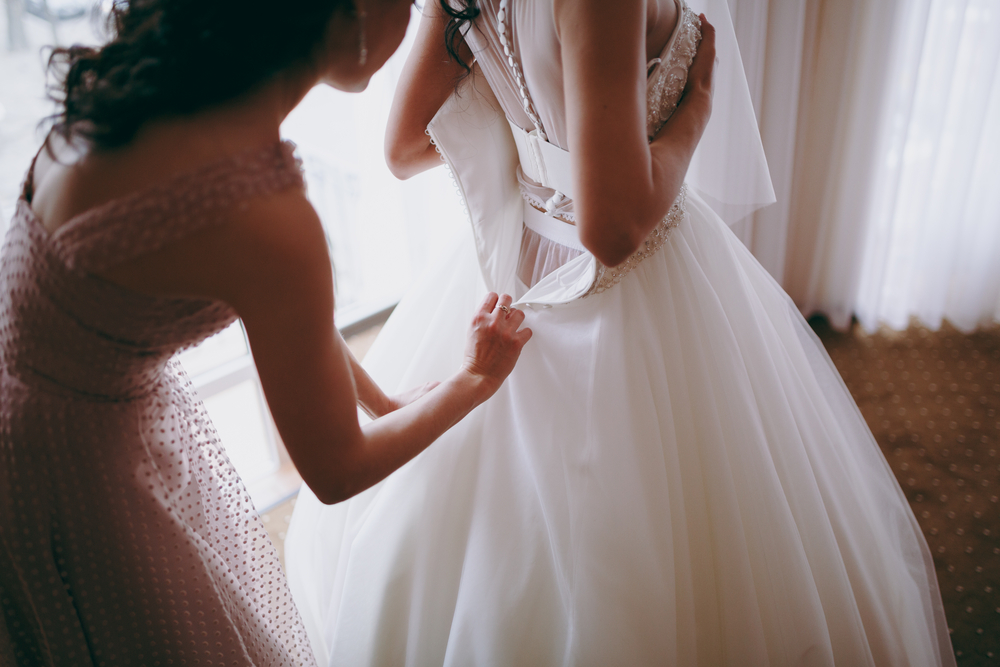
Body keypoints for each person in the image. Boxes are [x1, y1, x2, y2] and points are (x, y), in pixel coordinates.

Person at [285, 0, 957, 665]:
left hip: (515, 266)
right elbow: (614, 230)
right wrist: (695, 113)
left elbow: (404, 147)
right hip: (625, 285)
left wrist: (534, 148)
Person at [0, 0, 533, 664]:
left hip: (28, 427)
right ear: (352, 13)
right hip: (80, 483)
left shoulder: (132, 91)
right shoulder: (263, 215)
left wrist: (383, 400)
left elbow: (287, 319)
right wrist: (474, 380)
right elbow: (338, 469)